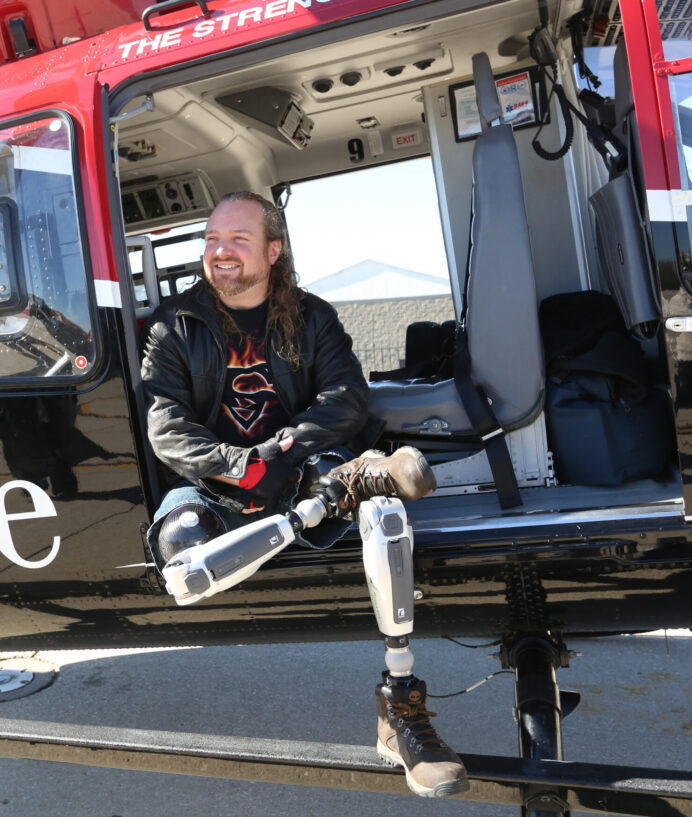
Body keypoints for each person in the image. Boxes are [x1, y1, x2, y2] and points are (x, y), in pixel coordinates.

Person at [139, 191, 469, 797]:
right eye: (212, 239)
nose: (221, 251)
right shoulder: (174, 325)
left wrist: (282, 451)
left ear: (273, 250)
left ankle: (401, 711)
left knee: (383, 521)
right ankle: (366, 475)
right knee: (181, 550)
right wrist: (240, 467)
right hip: (217, 485)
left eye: (238, 239)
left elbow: (346, 397)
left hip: (302, 470)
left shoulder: (312, 316)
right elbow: (166, 425)